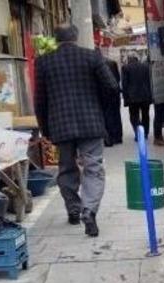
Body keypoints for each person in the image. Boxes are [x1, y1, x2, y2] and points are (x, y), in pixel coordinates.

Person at [35, 24, 117, 237]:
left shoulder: (44, 62)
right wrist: (98, 106)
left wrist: (45, 128)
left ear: (55, 38)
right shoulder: (91, 57)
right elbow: (111, 86)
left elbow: (40, 100)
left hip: (60, 125)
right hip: (91, 122)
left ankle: (73, 209)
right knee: (94, 168)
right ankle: (89, 210)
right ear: (76, 36)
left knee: (66, 168)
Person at [121, 55, 153, 140]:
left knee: (134, 116)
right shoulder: (146, 67)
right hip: (145, 96)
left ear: (129, 60)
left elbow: (124, 84)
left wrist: (125, 98)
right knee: (145, 115)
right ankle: (145, 133)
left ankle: (138, 132)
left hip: (133, 97)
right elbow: (150, 81)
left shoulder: (126, 68)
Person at [102, 53, 123, 146]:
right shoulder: (112, 63)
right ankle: (118, 137)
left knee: (107, 116)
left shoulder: (99, 64)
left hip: (104, 94)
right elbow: (118, 78)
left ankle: (109, 138)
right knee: (116, 114)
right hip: (115, 92)